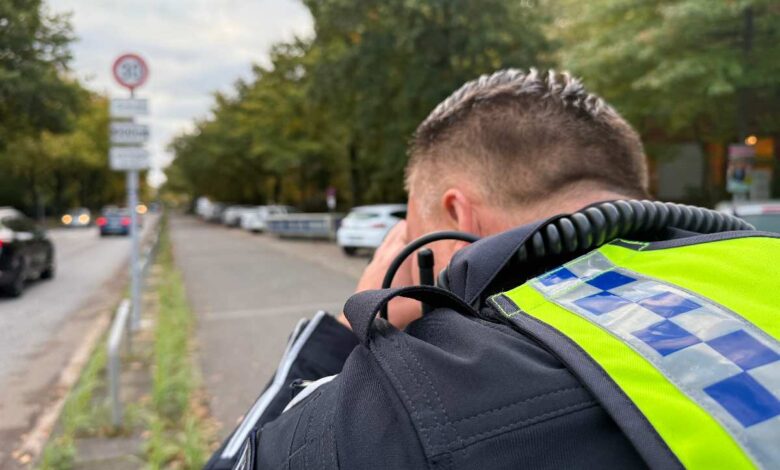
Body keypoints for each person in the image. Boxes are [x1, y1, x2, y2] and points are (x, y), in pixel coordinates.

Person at [206, 69, 779, 469]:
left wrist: (347, 333)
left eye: (412, 228)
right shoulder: (757, 261)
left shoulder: (416, 408)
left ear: (454, 218)